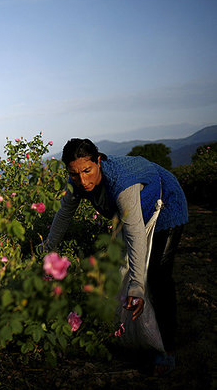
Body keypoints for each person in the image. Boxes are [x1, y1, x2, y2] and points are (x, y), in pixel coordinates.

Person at [44, 138, 187, 375]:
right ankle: (139, 335)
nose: (83, 180)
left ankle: (168, 348)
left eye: (87, 171)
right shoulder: (76, 182)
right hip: (134, 215)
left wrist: (137, 287)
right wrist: (46, 248)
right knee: (125, 272)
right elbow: (64, 214)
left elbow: (136, 235)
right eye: (75, 174)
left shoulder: (122, 184)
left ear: (98, 161)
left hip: (166, 205)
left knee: (158, 275)